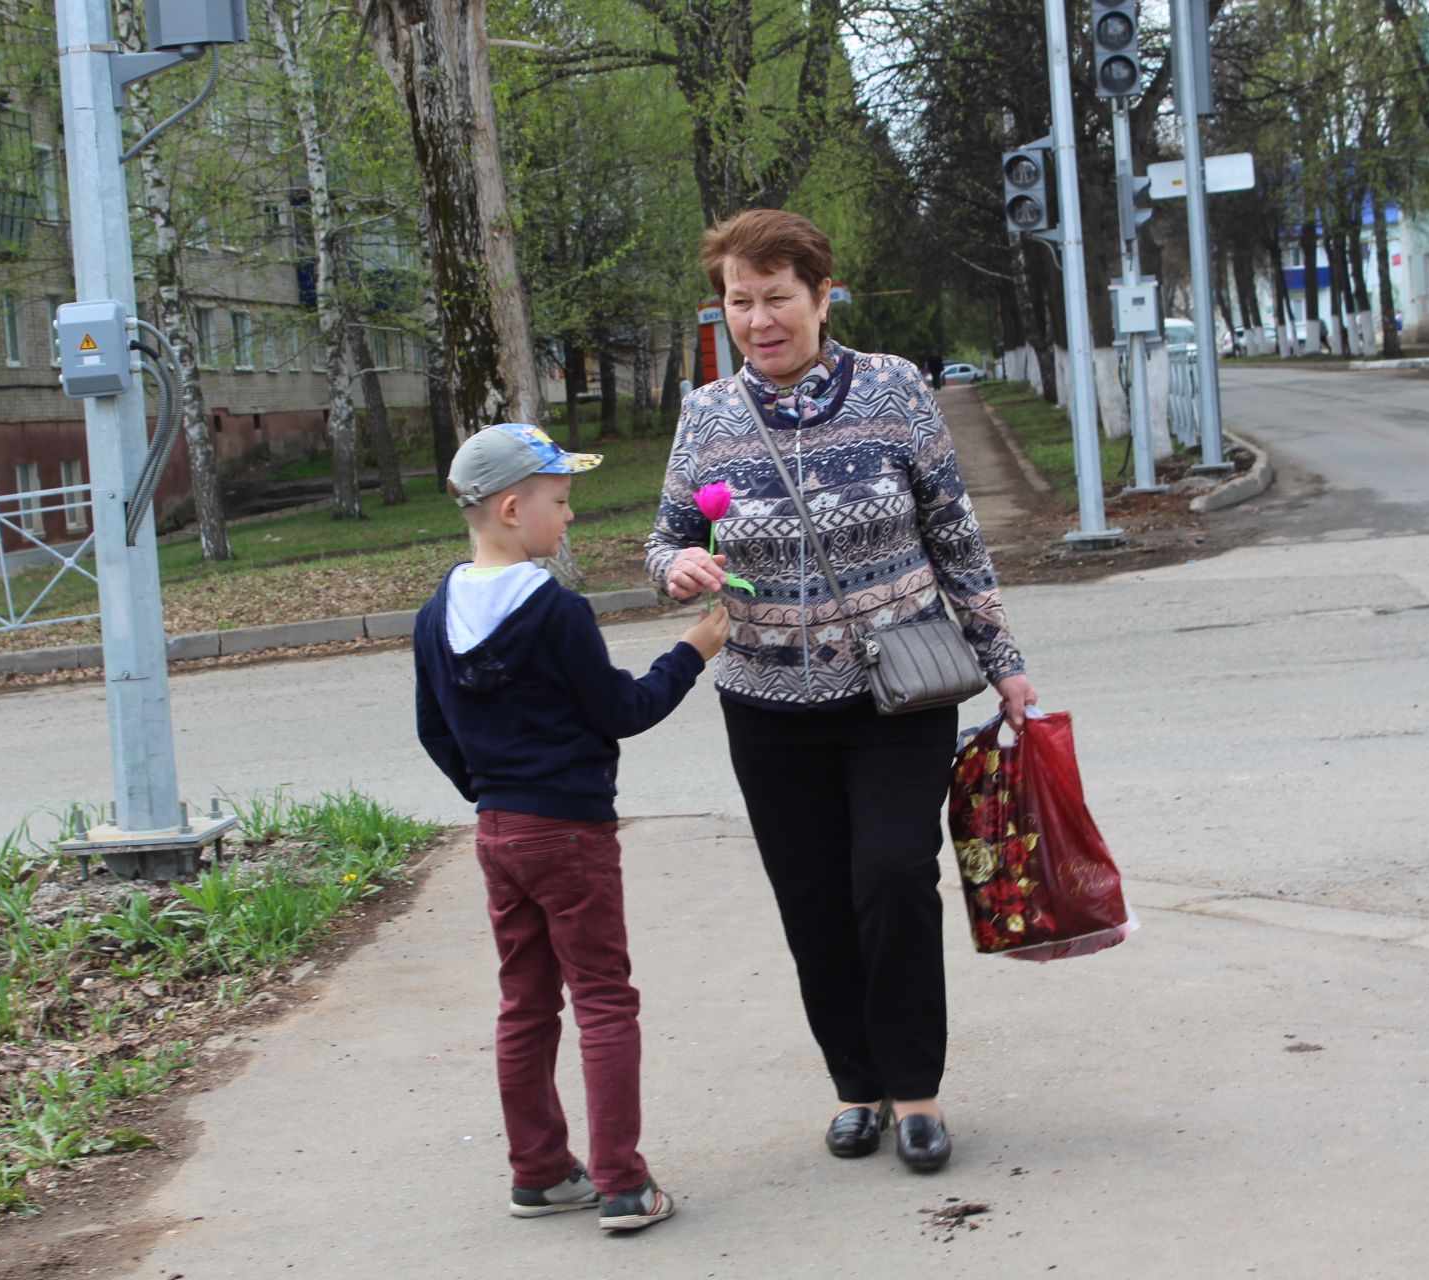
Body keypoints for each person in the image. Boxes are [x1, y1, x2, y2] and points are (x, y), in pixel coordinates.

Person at [645, 209, 1038, 1173]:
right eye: (741, 300)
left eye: (779, 297)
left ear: (823, 296)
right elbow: (663, 541)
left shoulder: (896, 390)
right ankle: (855, 1085)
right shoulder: (707, 416)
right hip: (764, 699)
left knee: (895, 877)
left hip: (898, 693)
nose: (760, 319)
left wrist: (1004, 660)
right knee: (812, 897)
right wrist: (678, 572)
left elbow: (954, 535)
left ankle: (917, 1092)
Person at [414, 423, 731, 1231]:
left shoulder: (434, 613)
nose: (570, 517)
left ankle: (540, 1171)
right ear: (513, 508)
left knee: (524, 1003)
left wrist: (492, 792)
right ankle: (623, 1183)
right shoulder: (556, 610)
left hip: (499, 833)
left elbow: (434, 730)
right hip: (572, 836)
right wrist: (692, 651)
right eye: (561, 502)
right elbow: (620, 710)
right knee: (602, 1000)